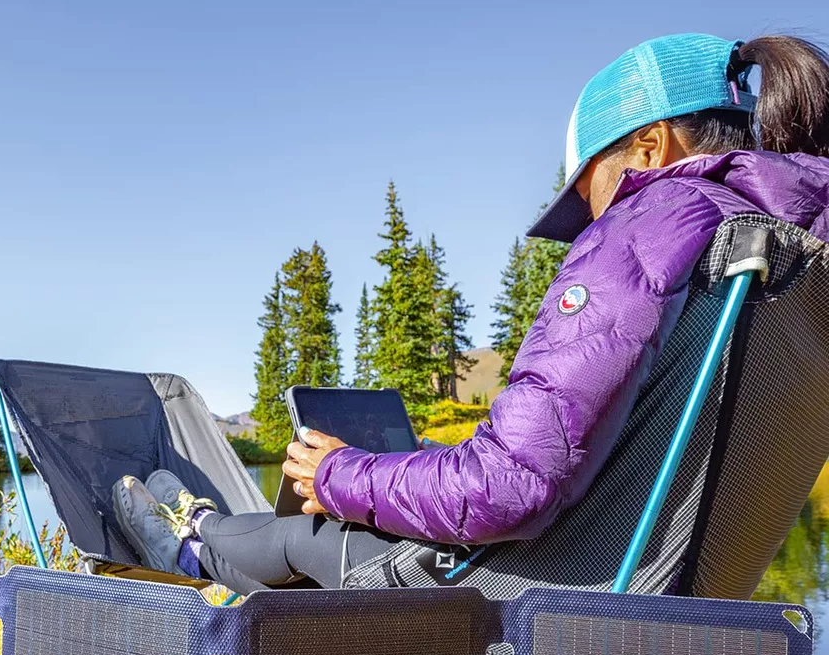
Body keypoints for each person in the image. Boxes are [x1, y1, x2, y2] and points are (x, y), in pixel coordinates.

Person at [114, 33, 829, 596]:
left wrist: (339, 476)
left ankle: (188, 545)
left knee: (310, 531)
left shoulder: (652, 221)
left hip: (574, 609)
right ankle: (199, 527)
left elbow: (511, 487)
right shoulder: (792, 255)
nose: (593, 218)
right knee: (366, 502)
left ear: (650, 146)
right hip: (684, 606)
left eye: (592, 191)